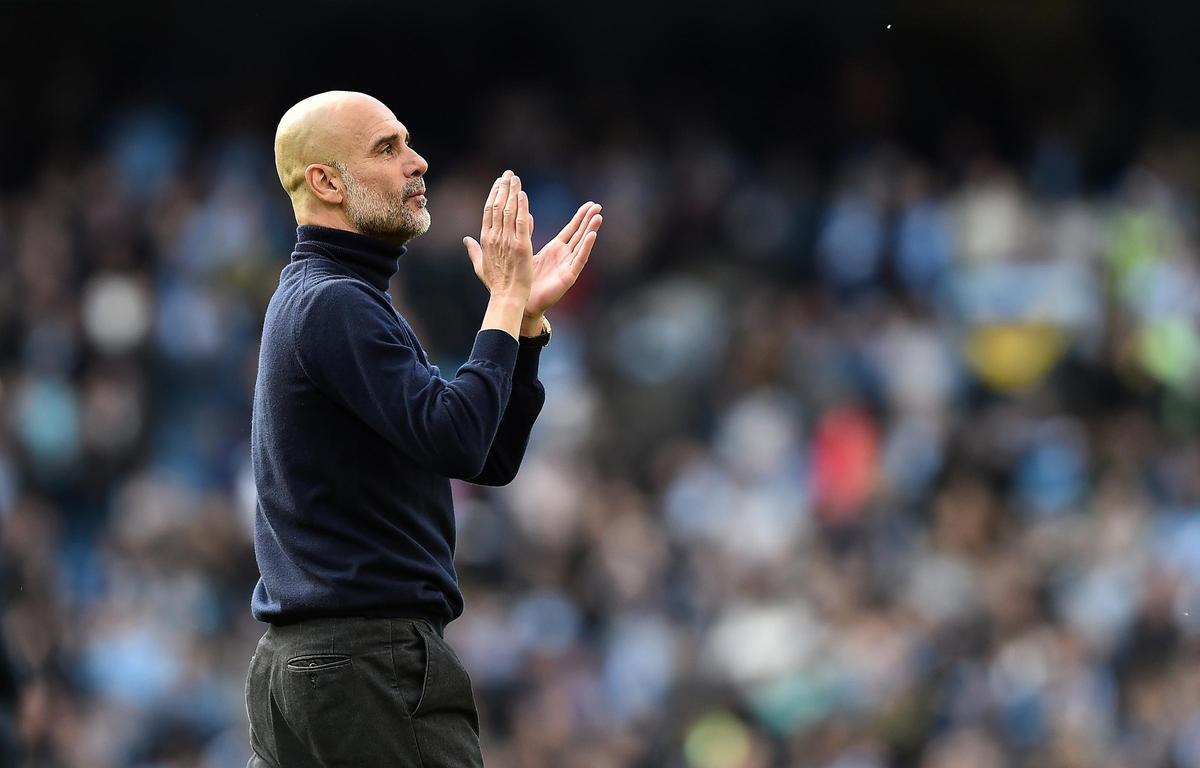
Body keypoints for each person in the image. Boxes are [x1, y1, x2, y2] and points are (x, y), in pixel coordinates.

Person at [245, 91, 602, 767]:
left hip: (314, 668)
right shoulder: (334, 301)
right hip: (366, 666)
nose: (418, 161)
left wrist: (521, 325)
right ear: (325, 181)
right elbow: (456, 438)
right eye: (387, 148)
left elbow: (486, 455)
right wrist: (502, 297)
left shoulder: (333, 297)